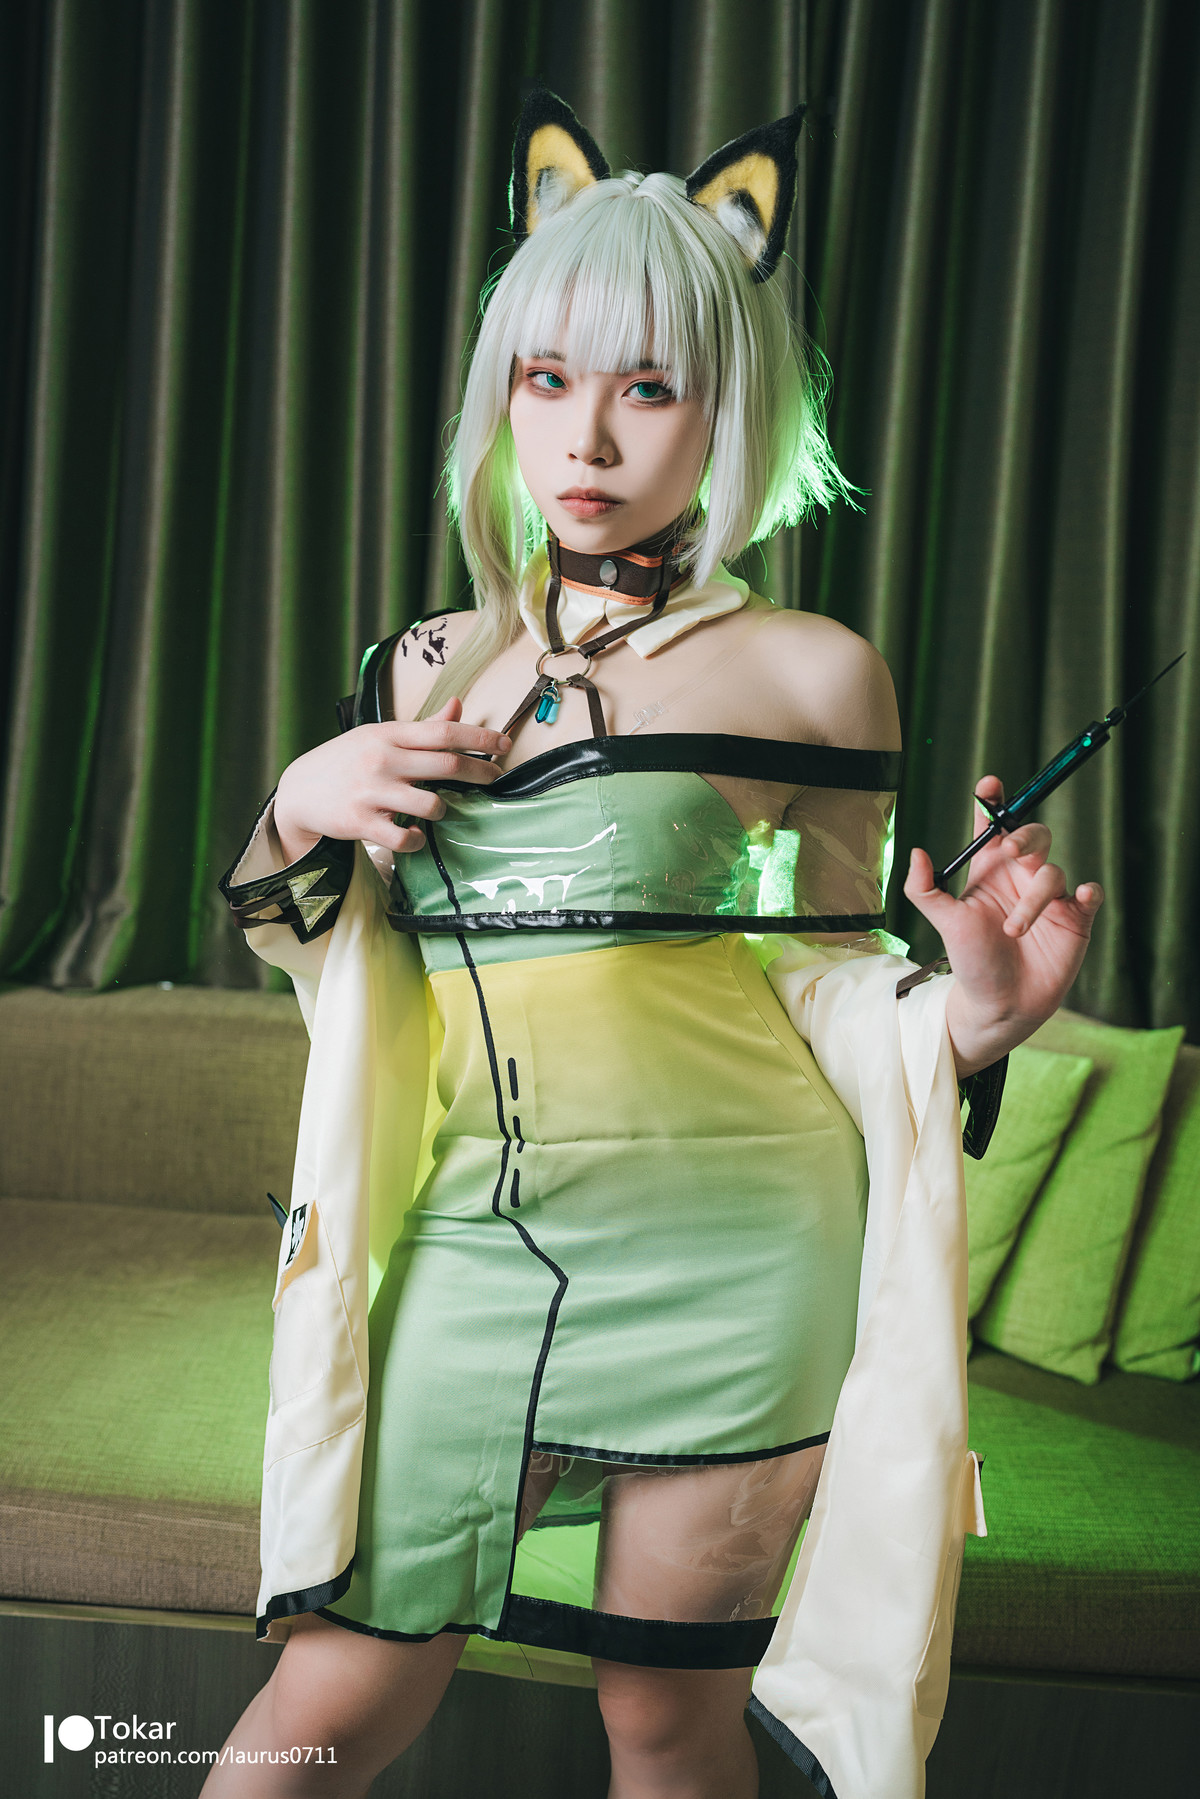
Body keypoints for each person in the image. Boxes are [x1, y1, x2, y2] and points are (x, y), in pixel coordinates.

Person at [205, 91, 1102, 1799]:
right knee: (333, 1689)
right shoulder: (420, 666)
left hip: (743, 1248)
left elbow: (822, 973)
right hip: (475, 1234)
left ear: (727, 405)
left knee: (664, 1720)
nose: (588, 439)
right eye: (548, 380)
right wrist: (301, 798)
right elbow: (319, 953)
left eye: (649, 387)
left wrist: (974, 1015)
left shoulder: (817, 676)